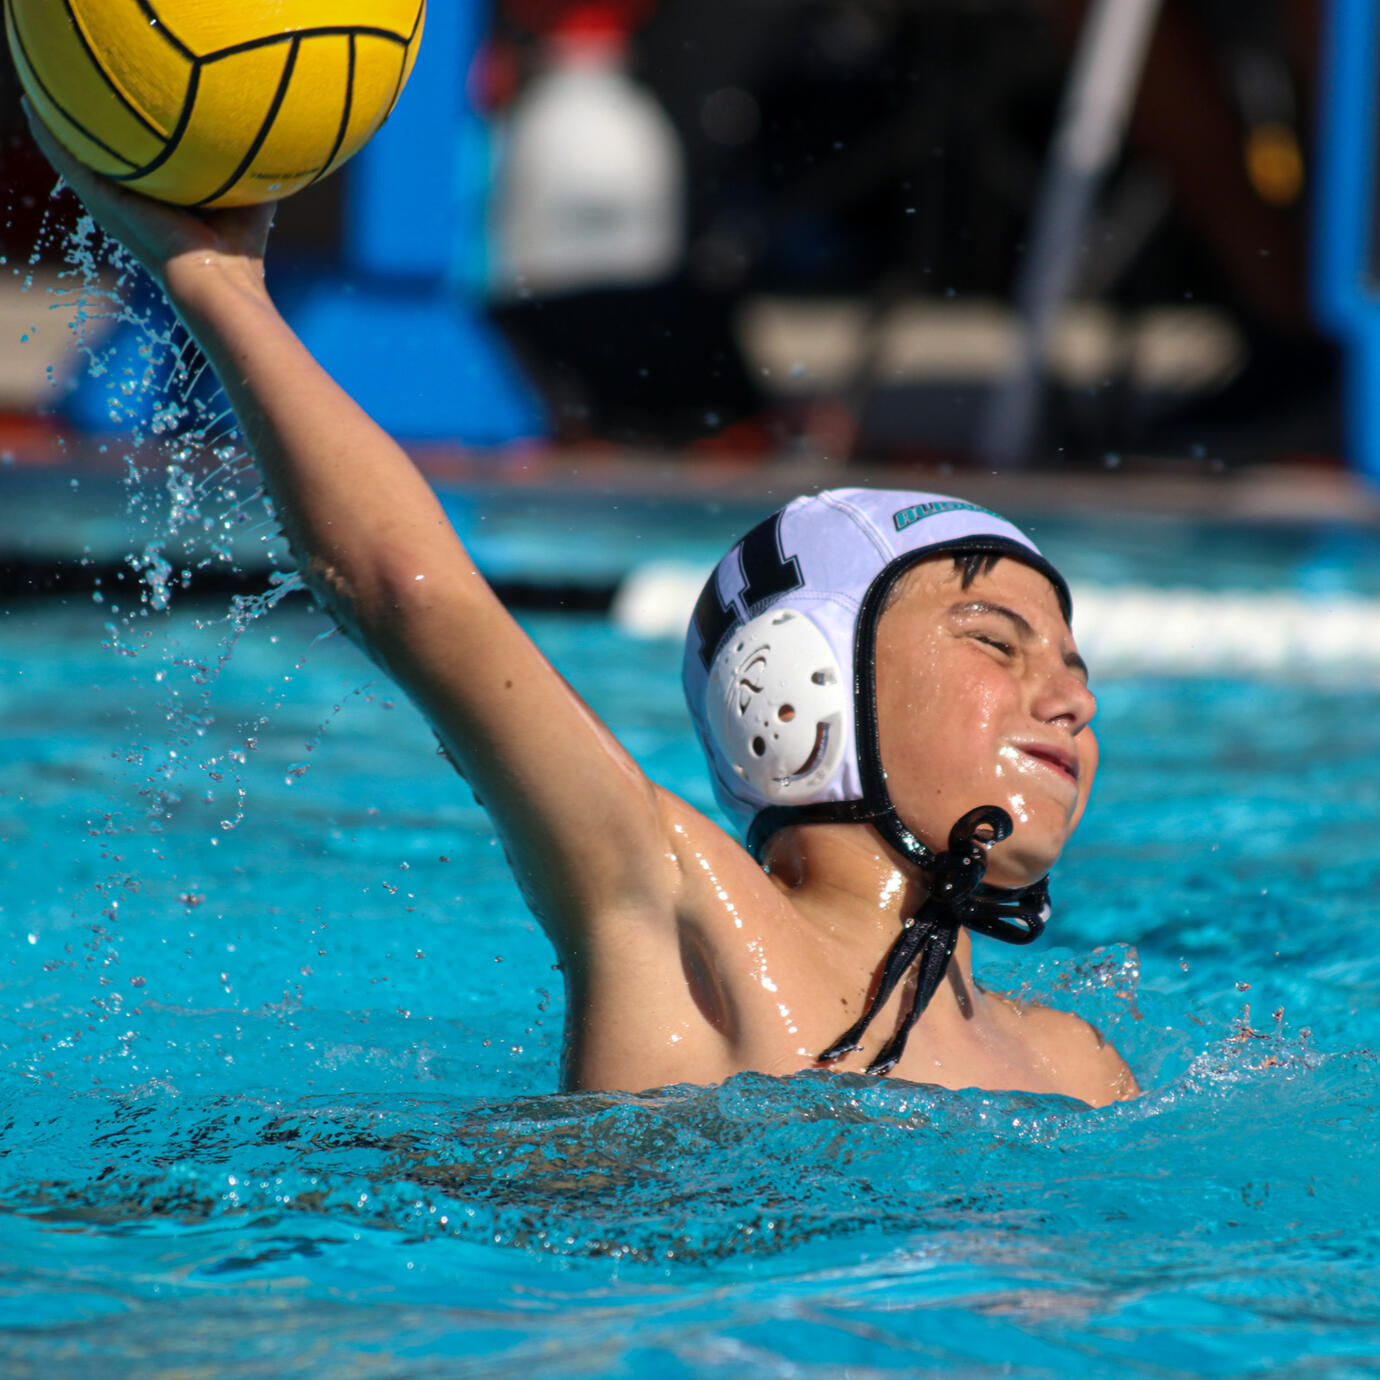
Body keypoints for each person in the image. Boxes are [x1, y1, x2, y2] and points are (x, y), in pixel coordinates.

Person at [25, 104, 1137, 1109]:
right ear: (800, 688)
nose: (1070, 701)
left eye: (1074, 667)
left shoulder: (1079, 1067)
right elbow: (414, 597)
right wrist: (218, 283)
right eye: (998, 643)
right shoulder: (678, 903)